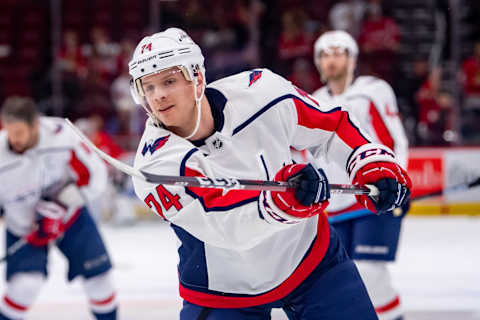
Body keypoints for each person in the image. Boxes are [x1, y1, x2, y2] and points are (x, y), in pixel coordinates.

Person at [129, 27, 411, 320]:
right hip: (224, 290)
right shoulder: (155, 163)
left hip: (308, 260)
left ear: (197, 77)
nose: (158, 96)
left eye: (169, 81)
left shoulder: (262, 92)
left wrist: (367, 161)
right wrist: (278, 203)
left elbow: (331, 126)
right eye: (147, 87)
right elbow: (224, 224)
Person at [311, 30, 409, 320]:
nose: (331, 61)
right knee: (340, 277)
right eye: (325, 55)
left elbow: (395, 139)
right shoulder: (314, 100)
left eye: (338, 53)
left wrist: (397, 180)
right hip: (336, 202)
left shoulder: (373, 91)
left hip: (374, 195)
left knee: (370, 270)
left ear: (352, 59)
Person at [0, 97, 117, 320]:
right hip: (24, 228)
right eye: (8, 131)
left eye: (19, 132)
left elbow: (95, 175)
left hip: (71, 219)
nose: (13, 139)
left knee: (100, 282)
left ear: (34, 124)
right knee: (24, 287)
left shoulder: (61, 135)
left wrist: (62, 203)